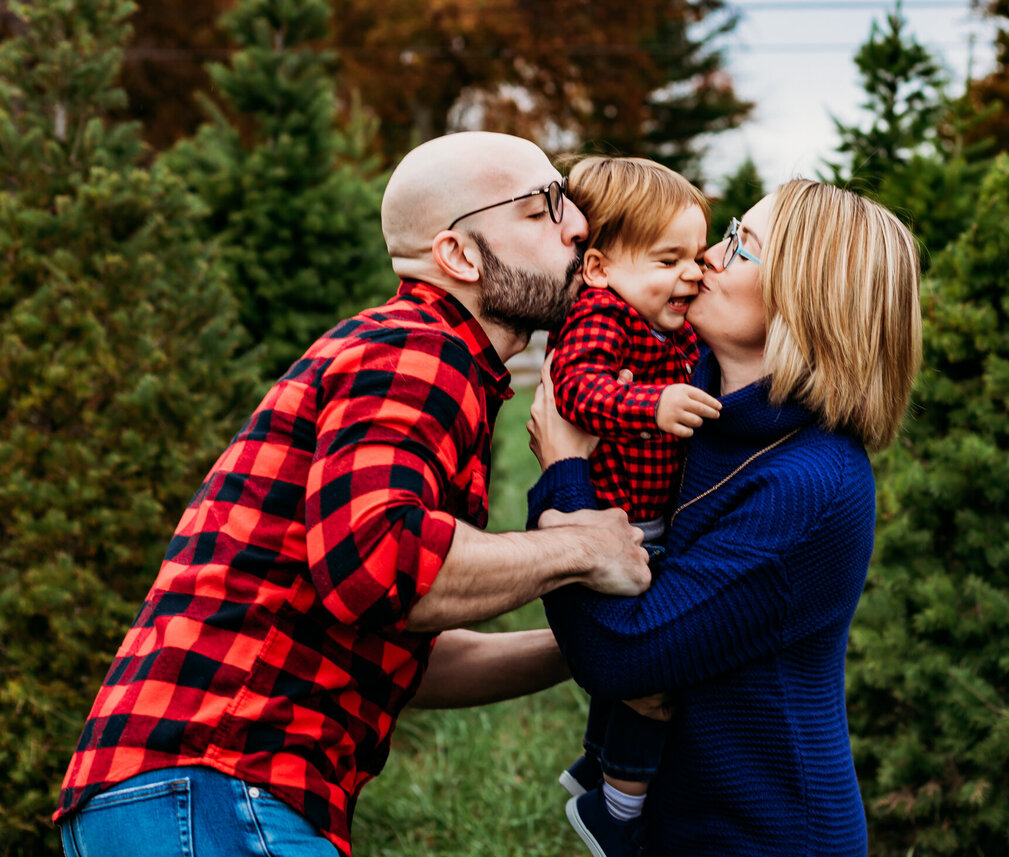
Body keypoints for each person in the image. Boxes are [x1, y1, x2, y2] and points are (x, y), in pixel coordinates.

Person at [53, 132, 652, 857]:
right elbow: (381, 565)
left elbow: (399, 642)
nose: (579, 224)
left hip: (171, 795)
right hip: (217, 782)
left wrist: (590, 648)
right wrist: (584, 547)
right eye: (541, 209)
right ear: (458, 256)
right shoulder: (419, 349)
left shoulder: (418, 358)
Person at [527, 179, 923, 857]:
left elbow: (623, 651)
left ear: (806, 297)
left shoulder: (810, 486)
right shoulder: (688, 413)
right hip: (682, 823)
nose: (708, 254)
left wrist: (564, 475)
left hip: (764, 834)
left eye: (742, 246)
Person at [545, 156, 721, 849]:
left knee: (635, 670)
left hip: (640, 519)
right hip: (617, 523)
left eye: (697, 257)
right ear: (597, 268)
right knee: (652, 673)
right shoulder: (601, 314)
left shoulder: (660, 322)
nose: (691, 273)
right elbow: (576, 390)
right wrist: (656, 402)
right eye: (668, 258)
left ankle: (599, 764)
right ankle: (615, 814)